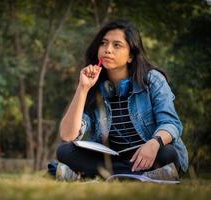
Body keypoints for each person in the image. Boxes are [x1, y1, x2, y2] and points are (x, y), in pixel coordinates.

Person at [54, 19, 188, 181]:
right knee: (64, 151)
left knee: (168, 153)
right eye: (104, 43)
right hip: (111, 157)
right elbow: (68, 135)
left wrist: (154, 143)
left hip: (148, 152)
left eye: (117, 45)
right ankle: (139, 176)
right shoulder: (93, 86)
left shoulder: (153, 80)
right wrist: (83, 88)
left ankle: (94, 175)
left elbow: (171, 124)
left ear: (131, 55)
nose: (108, 50)